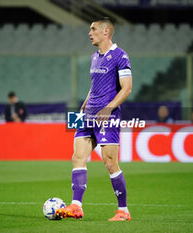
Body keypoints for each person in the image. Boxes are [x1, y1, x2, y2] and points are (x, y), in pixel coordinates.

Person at [56, 17, 132, 221]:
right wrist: (86, 102)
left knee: (110, 163)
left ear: (106, 32)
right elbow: (95, 84)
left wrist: (108, 108)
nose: (89, 33)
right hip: (88, 114)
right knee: (78, 157)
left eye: (93, 29)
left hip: (107, 115)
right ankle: (76, 206)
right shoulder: (94, 57)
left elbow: (127, 88)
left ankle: (123, 211)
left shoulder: (120, 56)